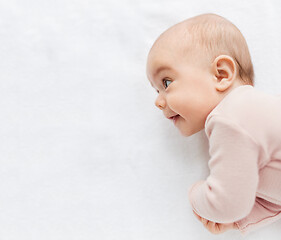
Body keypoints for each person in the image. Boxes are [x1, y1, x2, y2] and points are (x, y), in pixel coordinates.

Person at [146, 13, 281, 236]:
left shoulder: (232, 117)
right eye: (157, 90)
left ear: (221, 75)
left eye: (166, 82)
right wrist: (241, 220)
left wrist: (197, 195)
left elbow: (226, 203)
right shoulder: (251, 119)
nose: (158, 102)